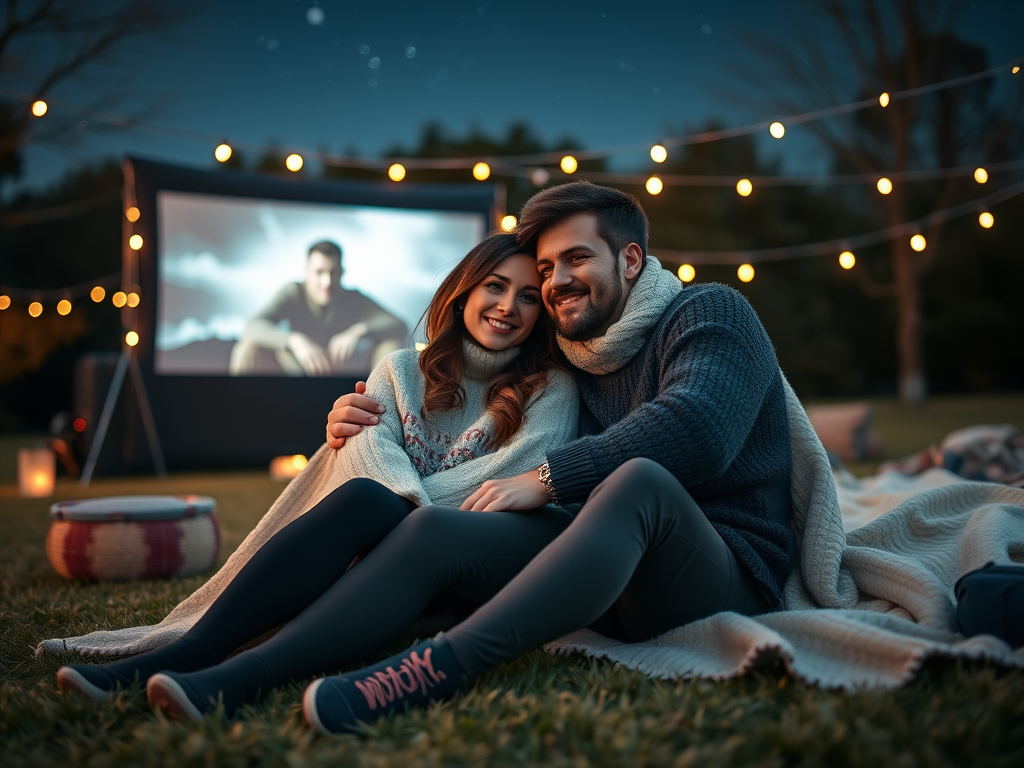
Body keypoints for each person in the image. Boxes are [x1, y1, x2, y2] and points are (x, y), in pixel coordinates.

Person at [306, 180, 794, 734]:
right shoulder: (572, 355)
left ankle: (433, 669)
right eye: (545, 268)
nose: (556, 280)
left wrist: (549, 478)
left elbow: (699, 429)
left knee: (638, 483)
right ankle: (238, 670)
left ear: (630, 259)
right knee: (437, 530)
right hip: (612, 568)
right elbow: (479, 416)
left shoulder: (711, 312)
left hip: (721, 575)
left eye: (577, 258)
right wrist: (364, 414)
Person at [55, 233, 579, 717]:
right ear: (463, 293)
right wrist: (401, 516)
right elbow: (369, 454)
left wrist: (408, 524)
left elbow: (512, 475)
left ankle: (239, 677)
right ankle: (195, 649)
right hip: (391, 542)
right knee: (367, 498)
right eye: (495, 286)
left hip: (466, 557)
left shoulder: (550, 387)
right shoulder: (399, 369)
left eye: (530, 296)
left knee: (390, 508)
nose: (509, 306)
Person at [229, 240, 408, 376]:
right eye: (319, 272)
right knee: (248, 347)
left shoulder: (353, 297)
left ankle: (383, 417)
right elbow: (252, 326)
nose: (327, 282)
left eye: (333, 273)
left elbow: (399, 325)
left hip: (341, 371)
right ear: (306, 272)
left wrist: (357, 331)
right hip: (295, 369)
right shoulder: (293, 292)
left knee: (391, 344)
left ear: (342, 273)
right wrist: (294, 340)